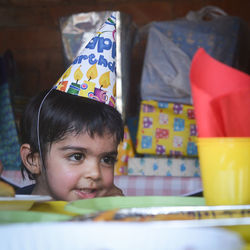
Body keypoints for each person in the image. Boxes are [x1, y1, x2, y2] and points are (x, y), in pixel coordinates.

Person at [17, 88, 124, 201]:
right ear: (33, 160)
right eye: (77, 157)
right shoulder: (8, 214)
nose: (95, 174)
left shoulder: (109, 213)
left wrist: (117, 214)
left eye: (107, 159)